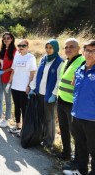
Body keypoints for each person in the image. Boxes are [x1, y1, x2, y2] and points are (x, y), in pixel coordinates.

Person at [63, 40, 95, 175]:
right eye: (87, 50)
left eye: (93, 51)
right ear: (83, 52)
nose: (90, 54)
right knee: (80, 145)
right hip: (76, 114)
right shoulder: (80, 69)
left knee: (93, 149)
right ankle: (80, 171)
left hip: (92, 118)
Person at [29, 39, 63, 148]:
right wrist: (32, 88)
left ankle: (49, 141)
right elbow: (37, 75)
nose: (48, 50)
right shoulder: (43, 59)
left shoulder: (59, 62)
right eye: (47, 47)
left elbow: (59, 80)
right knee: (40, 116)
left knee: (49, 118)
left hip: (49, 95)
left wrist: (54, 94)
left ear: (56, 48)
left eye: (50, 48)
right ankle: (40, 137)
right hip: (39, 93)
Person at [57, 38, 85, 169]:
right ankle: (66, 153)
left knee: (76, 134)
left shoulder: (82, 62)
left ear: (79, 48)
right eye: (66, 47)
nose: (68, 49)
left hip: (72, 103)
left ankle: (77, 160)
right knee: (64, 129)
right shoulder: (66, 61)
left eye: (71, 47)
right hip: (61, 100)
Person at [8, 39, 37, 135]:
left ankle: (24, 129)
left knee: (24, 108)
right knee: (16, 106)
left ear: (27, 47)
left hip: (24, 87)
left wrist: (29, 86)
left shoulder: (31, 57)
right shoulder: (17, 56)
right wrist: (9, 83)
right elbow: (13, 71)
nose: (21, 47)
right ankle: (17, 125)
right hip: (15, 86)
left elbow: (32, 73)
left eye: (23, 46)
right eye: (19, 45)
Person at [0, 32, 16, 128]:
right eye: (4, 38)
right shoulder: (1, 50)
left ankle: (7, 119)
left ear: (12, 39)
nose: (6, 40)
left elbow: (14, 67)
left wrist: (3, 71)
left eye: (8, 38)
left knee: (8, 99)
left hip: (8, 77)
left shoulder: (15, 51)